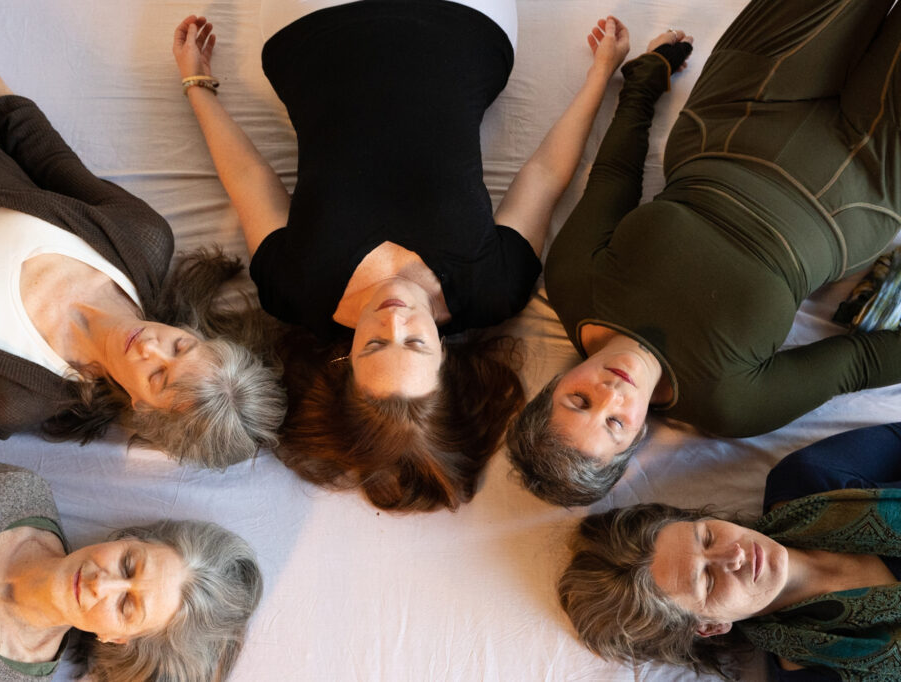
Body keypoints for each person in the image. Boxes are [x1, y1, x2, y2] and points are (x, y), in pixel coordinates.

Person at [174, 1, 633, 510]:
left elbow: (249, 179)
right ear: (446, 360)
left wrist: (197, 87)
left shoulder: (295, 289)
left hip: (312, 30)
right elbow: (545, 175)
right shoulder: (493, 286)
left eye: (374, 347)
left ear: (346, 363)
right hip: (463, 24)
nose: (395, 321)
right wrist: (600, 76)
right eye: (414, 344)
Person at [508, 0, 901, 506]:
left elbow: (615, 177)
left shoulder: (572, 283)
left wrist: (645, 78)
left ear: (554, 384)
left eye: (578, 400)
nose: (611, 393)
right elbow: (859, 362)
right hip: (858, 184)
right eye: (613, 423)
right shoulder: (731, 404)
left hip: (739, 110)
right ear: (636, 440)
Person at [0, 17, 286, 468]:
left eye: (157, 377)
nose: (150, 346)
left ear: (144, 409)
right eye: (180, 348)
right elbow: (44, 154)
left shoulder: (9, 398)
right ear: (197, 334)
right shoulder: (141, 239)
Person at [0, 448, 262, 681]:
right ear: (130, 539)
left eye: (127, 606)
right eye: (129, 565)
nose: (102, 584)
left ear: (117, 640)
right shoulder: (18, 491)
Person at [558, 422, 901, 681]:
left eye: (706, 538)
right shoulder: (814, 673)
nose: (734, 556)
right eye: (706, 580)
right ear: (710, 627)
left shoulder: (812, 479)